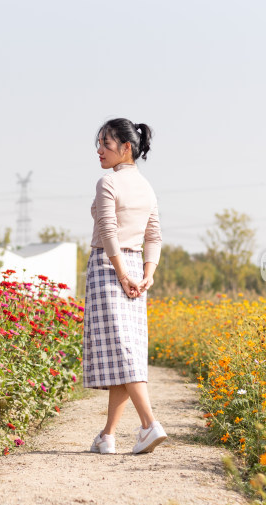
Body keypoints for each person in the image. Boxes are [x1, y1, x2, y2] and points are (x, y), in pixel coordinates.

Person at [84, 118, 166, 455]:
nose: (100, 151)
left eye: (106, 144)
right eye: (98, 144)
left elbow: (107, 231)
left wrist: (121, 274)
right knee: (126, 348)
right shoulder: (147, 187)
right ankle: (108, 436)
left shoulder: (108, 182)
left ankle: (149, 424)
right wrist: (148, 273)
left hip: (109, 266)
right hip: (135, 269)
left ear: (126, 148)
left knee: (123, 350)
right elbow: (154, 236)